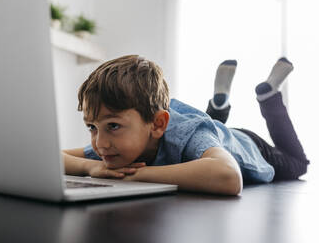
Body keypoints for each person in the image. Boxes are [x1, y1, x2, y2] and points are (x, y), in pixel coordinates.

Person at [62, 55, 310, 195]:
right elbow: (54, 157)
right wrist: (90, 167)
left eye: (112, 126)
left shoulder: (186, 134)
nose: (100, 143)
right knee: (199, 133)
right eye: (92, 127)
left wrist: (138, 174)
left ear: (157, 124)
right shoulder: (115, 142)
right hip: (210, 133)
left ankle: (269, 97)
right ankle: (218, 105)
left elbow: (229, 176)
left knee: (298, 163)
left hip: (249, 147)